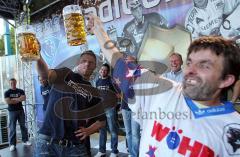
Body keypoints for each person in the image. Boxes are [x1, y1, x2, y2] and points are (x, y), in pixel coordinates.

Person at [87, 14, 240, 156]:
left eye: (204, 66)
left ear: (226, 79)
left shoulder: (233, 130)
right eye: (189, 62)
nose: (190, 71)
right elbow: (120, 62)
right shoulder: (164, 90)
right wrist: (99, 29)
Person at [35, 50, 106, 157]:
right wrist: (38, 56)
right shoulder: (65, 74)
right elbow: (45, 74)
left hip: (74, 147)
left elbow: (102, 121)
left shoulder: (93, 92)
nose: (87, 64)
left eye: (91, 62)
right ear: (78, 62)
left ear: (95, 66)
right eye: (84, 61)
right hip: (47, 142)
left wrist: (88, 131)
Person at [95, 63, 119, 157]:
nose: (103, 71)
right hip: (100, 109)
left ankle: (114, 151)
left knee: (113, 130)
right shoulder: (97, 81)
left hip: (110, 108)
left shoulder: (112, 81)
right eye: (101, 70)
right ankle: (102, 151)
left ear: (108, 72)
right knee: (102, 130)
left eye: (105, 70)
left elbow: (118, 94)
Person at [118, 55, 140, 157]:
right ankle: (131, 153)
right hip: (125, 106)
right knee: (128, 133)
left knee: (135, 134)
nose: (127, 62)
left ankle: (135, 154)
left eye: (129, 60)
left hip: (136, 108)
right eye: (126, 61)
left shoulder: (140, 73)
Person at [4, 78, 31, 151]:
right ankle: (12, 144)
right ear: (9, 83)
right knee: (12, 128)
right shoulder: (7, 92)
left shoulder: (20, 91)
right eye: (11, 83)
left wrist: (13, 99)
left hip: (20, 111)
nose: (13, 84)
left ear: (16, 83)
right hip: (12, 112)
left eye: (14, 83)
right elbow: (8, 101)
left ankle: (25, 141)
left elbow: (23, 98)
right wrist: (18, 99)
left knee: (23, 126)